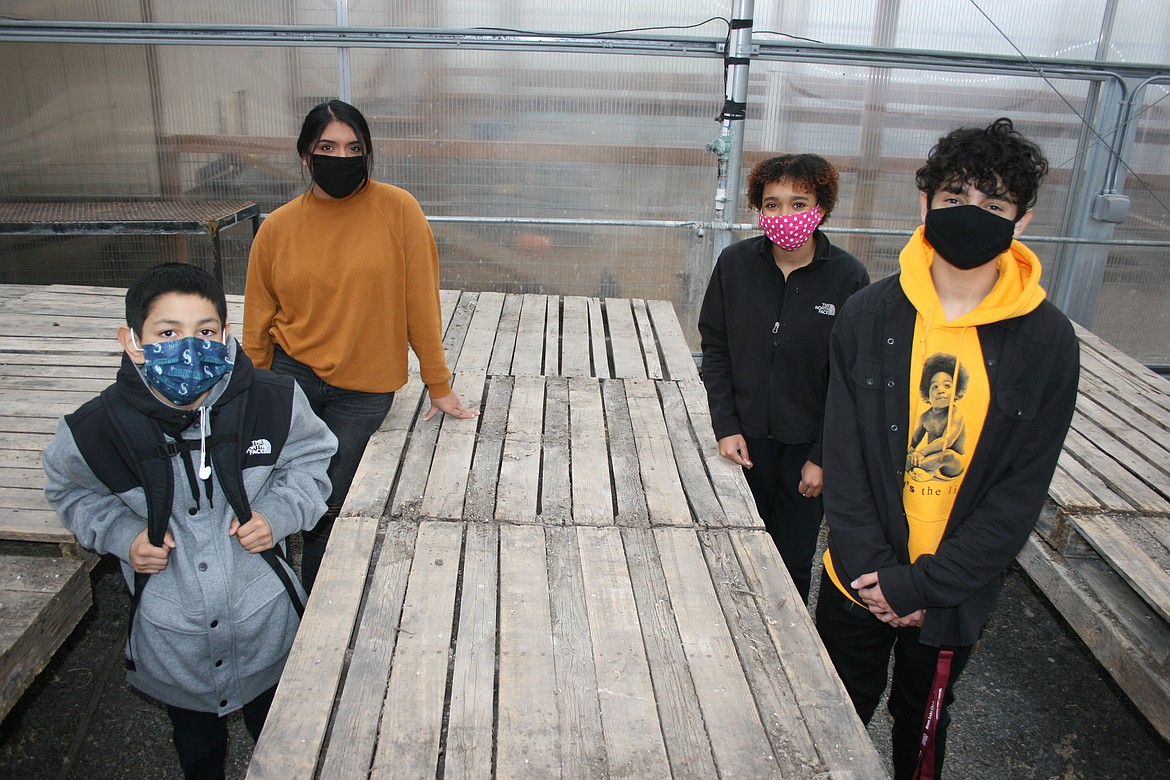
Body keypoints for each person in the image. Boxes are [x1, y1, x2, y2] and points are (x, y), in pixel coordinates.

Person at [815, 118, 1080, 779]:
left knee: (923, 725)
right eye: (956, 197)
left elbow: (1019, 491)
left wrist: (925, 586)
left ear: (1021, 221)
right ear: (925, 202)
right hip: (859, 580)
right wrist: (879, 577)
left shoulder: (1048, 340)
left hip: (952, 593)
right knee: (831, 716)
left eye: (994, 205)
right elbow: (844, 460)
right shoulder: (869, 314)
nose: (972, 215)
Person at [42, 263, 337, 779]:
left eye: (204, 331)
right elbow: (71, 491)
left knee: (281, 735)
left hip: (266, 625)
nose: (188, 346)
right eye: (167, 332)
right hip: (173, 640)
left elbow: (312, 462)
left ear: (225, 336)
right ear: (132, 341)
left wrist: (281, 512)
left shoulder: (276, 401)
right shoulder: (93, 430)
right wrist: (121, 536)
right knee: (197, 749)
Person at [243, 99, 477, 592]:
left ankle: (312, 604)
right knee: (272, 490)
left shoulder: (398, 209)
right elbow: (259, 318)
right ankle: (271, 597)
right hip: (293, 378)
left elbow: (421, 304)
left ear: (368, 154)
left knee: (327, 499)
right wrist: (250, 393)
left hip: (364, 390)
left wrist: (439, 384)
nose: (340, 157)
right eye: (327, 146)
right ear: (306, 154)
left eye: (354, 148)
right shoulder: (278, 227)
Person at [698, 153, 870, 603]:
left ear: (822, 208)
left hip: (806, 451)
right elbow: (716, 349)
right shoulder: (735, 265)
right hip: (743, 442)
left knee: (792, 559)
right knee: (737, 548)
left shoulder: (848, 277)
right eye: (771, 204)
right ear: (758, 208)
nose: (784, 215)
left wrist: (823, 456)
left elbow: (852, 379)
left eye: (799, 203)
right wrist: (726, 426)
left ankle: (785, 638)